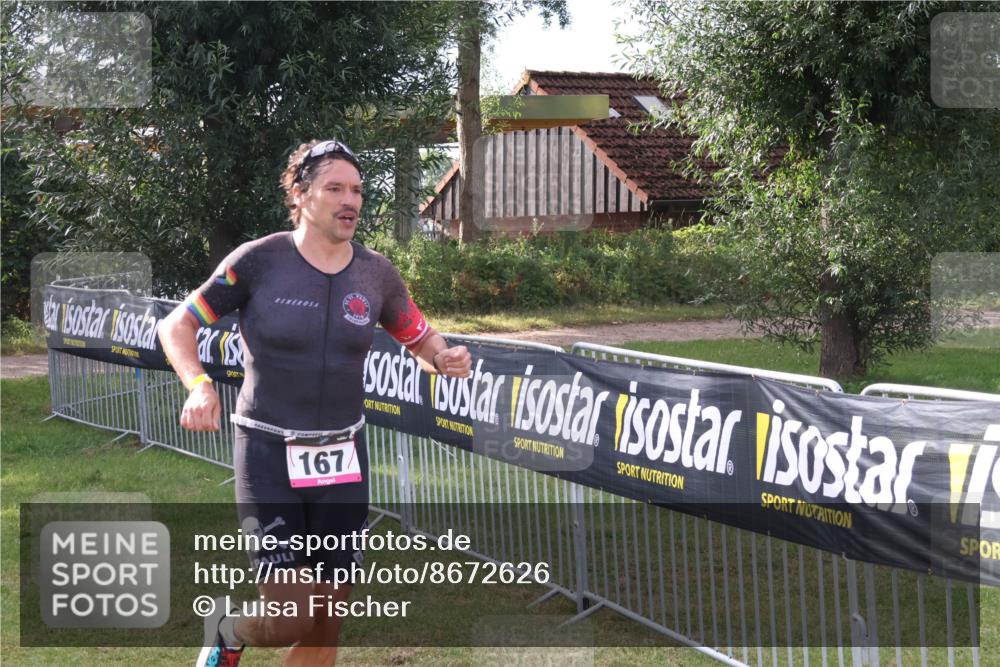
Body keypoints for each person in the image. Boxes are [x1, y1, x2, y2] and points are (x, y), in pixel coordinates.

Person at [159, 139, 472, 667]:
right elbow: (178, 323)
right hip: (268, 453)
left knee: (325, 624)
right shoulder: (260, 261)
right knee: (289, 619)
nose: (350, 200)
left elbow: (420, 339)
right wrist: (199, 384)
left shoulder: (376, 273)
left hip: (343, 460)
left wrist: (444, 358)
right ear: (301, 195)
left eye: (357, 190)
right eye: (335, 188)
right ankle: (228, 628)